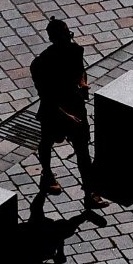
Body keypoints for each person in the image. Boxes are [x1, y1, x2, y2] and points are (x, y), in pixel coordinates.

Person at [31, 18, 107, 209]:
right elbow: (47, 96)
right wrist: (66, 116)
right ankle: (47, 173)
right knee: (47, 141)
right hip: (54, 109)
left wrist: (82, 84)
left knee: (82, 151)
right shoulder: (41, 64)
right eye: (64, 36)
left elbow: (81, 70)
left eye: (68, 35)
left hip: (74, 103)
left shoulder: (75, 50)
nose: (68, 39)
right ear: (54, 39)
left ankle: (89, 192)